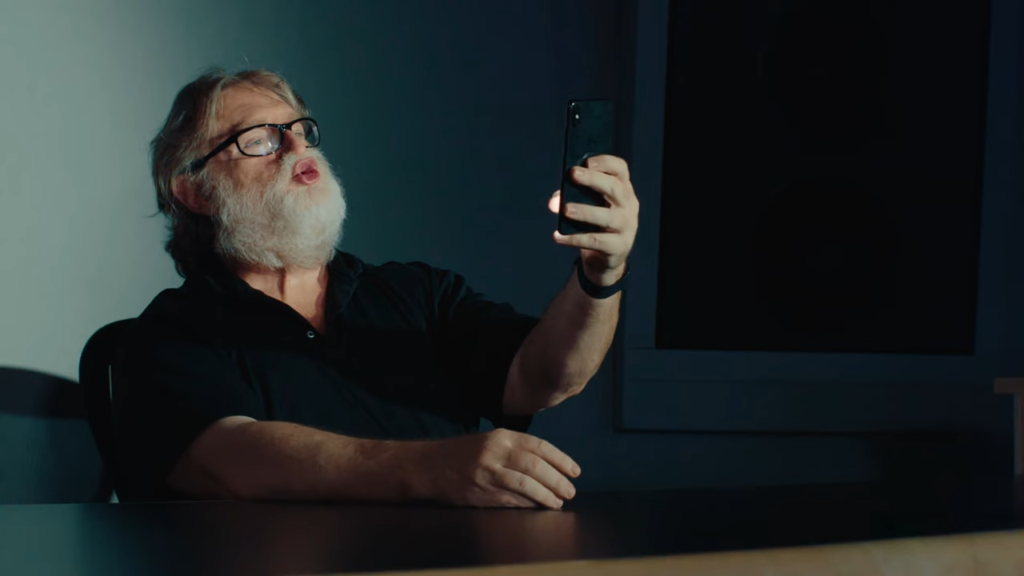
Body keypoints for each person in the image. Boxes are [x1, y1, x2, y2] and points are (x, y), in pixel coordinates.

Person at [112, 68, 639, 509]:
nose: (296, 147)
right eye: (261, 138)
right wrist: (433, 466)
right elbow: (229, 457)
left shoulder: (417, 292)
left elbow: (542, 377)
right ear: (195, 190)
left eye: (300, 128)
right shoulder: (170, 331)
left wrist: (600, 273)